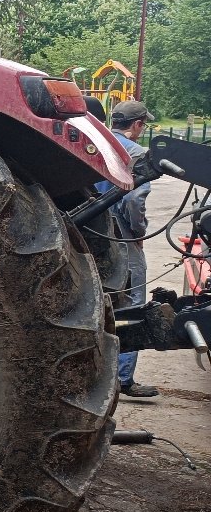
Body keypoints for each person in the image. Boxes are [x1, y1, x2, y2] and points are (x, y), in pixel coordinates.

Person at [102, 100, 159, 397]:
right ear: (137, 125)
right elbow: (134, 201)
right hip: (123, 237)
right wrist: (138, 231)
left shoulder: (98, 141)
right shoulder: (135, 154)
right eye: (143, 124)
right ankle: (123, 378)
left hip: (95, 234)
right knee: (133, 303)